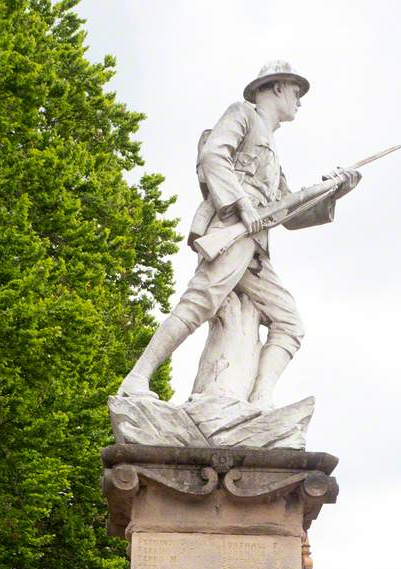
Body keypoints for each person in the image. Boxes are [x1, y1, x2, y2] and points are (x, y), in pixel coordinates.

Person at [117, 60, 361, 403]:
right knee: (199, 302)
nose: (300, 101)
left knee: (290, 324)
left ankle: (260, 400)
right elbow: (213, 156)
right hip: (232, 227)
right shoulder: (242, 114)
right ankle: (137, 378)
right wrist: (242, 205)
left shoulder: (275, 151)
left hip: (256, 248)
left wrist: (334, 192)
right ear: (276, 87)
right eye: (296, 91)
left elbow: (288, 211)